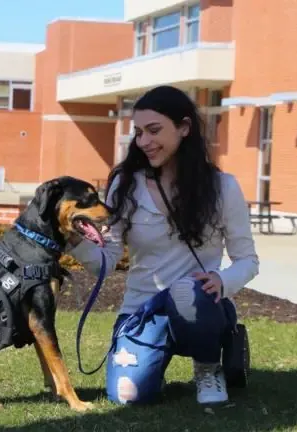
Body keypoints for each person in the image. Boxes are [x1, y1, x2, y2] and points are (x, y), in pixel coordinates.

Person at [66, 85, 259, 405]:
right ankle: (151, 355)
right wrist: (73, 241)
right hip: (141, 309)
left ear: (184, 128)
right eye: (139, 132)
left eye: (154, 131)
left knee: (186, 290)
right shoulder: (125, 184)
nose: (144, 142)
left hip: (200, 304)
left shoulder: (223, 187)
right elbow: (109, 258)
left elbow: (248, 261)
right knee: (128, 396)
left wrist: (222, 281)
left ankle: (208, 367)